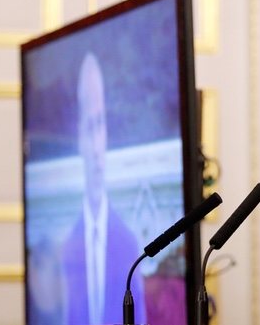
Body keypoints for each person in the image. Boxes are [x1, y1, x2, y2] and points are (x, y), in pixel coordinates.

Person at [62, 52, 147, 325]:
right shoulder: (65, 249)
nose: (97, 145)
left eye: (101, 125)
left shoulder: (130, 245)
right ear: (79, 139)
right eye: (89, 127)